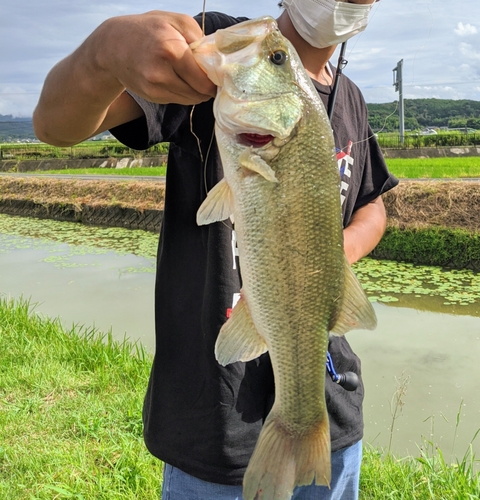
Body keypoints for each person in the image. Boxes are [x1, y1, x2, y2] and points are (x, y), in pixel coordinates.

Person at [33, 1, 398, 498]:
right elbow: (55, 127)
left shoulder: (350, 98)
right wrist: (104, 53)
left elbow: (373, 205)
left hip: (331, 412)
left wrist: (324, 261)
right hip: (214, 421)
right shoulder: (207, 56)